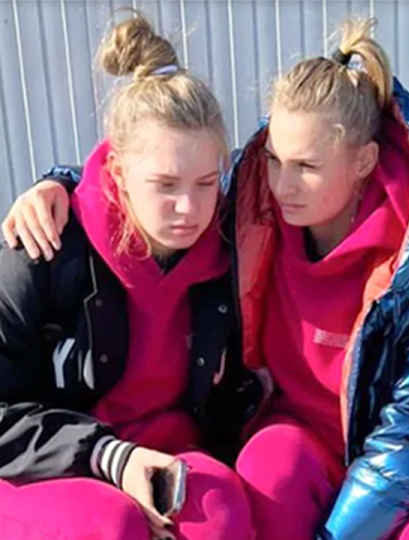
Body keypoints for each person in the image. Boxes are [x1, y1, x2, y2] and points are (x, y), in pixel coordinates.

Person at [3, 17, 409, 540]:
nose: (283, 184)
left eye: (306, 166)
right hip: (54, 454)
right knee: (138, 518)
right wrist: (57, 182)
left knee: (229, 512)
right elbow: (137, 176)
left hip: (395, 465)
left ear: (364, 161)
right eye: (274, 160)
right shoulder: (249, 219)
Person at [0, 13, 259, 540]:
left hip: (169, 448)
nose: (189, 208)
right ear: (118, 171)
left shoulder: (231, 248)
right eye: (165, 184)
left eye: (206, 182)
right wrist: (113, 459)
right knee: (110, 526)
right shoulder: (42, 247)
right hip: (49, 460)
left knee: (223, 513)